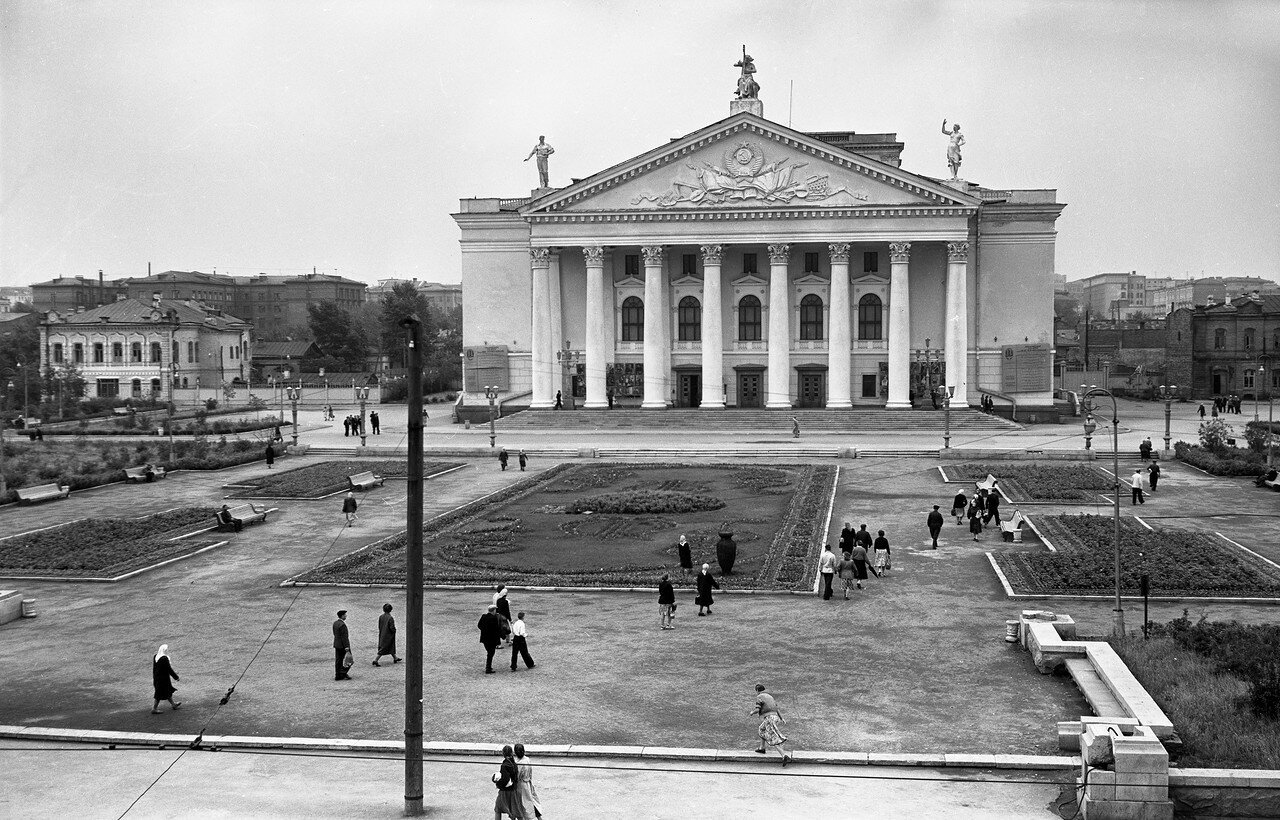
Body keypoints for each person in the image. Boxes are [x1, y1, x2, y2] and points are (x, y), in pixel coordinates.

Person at [751, 684, 791, 765]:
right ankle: (762, 748)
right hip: (775, 717)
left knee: (773, 737)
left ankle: (784, 756)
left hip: (769, 718)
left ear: (757, 690)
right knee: (761, 729)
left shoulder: (759, 697)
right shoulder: (770, 697)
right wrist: (782, 718)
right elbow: (777, 708)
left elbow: (757, 709)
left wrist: (752, 712)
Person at [493, 744, 525, 819]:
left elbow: (505, 779)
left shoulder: (504, 765)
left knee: (498, 809)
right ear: (511, 753)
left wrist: (498, 783)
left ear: (503, 754)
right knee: (516, 811)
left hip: (505, 792)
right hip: (513, 790)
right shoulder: (514, 764)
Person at [514, 744, 543, 820]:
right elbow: (530, 772)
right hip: (528, 783)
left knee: (523, 805)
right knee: (532, 802)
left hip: (521, 786)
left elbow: (517, 777)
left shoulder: (518, 763)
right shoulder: (527, 759)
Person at [151, 644, 181, 714]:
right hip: (163, 679)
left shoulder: (156, 656)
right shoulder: (164, 658)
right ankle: (154, 708)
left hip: (157, 678)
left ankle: (173, 704)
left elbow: (155, 668)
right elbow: (169, 669)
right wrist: (176, 677)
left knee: (167, 691)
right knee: (159, 694)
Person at [477, 605, 505, 674]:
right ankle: (488, 668)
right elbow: (497, 629)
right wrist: (502, 636)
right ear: (494, 610)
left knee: (489, 652)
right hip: (492, 639)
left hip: (484, 638)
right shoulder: (494, 618)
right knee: (491, 653)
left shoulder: (483, 616)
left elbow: (479, 625)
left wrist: (484, 630)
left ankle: (488, 667)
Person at [333, 610, 352, 681]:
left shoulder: (335, 623)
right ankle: (343, 673)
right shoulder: (342, 625)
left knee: (338, 660)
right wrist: (346, 646)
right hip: (343, 646)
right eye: (345, 615)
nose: (346, 616)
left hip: (337, 644)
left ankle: (337, 674)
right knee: (349, 660)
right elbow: (344, 637)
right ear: (342, 616)